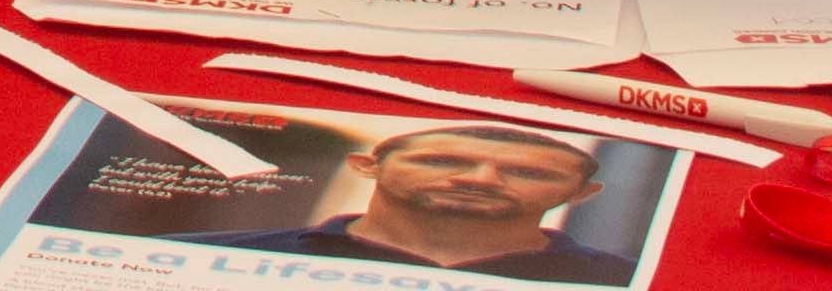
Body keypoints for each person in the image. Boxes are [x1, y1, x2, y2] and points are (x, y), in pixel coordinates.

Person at [242, 124, 644, 282]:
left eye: (529, 172)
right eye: (442, 161)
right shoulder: (224, 251)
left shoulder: (630, 279)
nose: (479, 179)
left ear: (582, 194)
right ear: (366, 166)